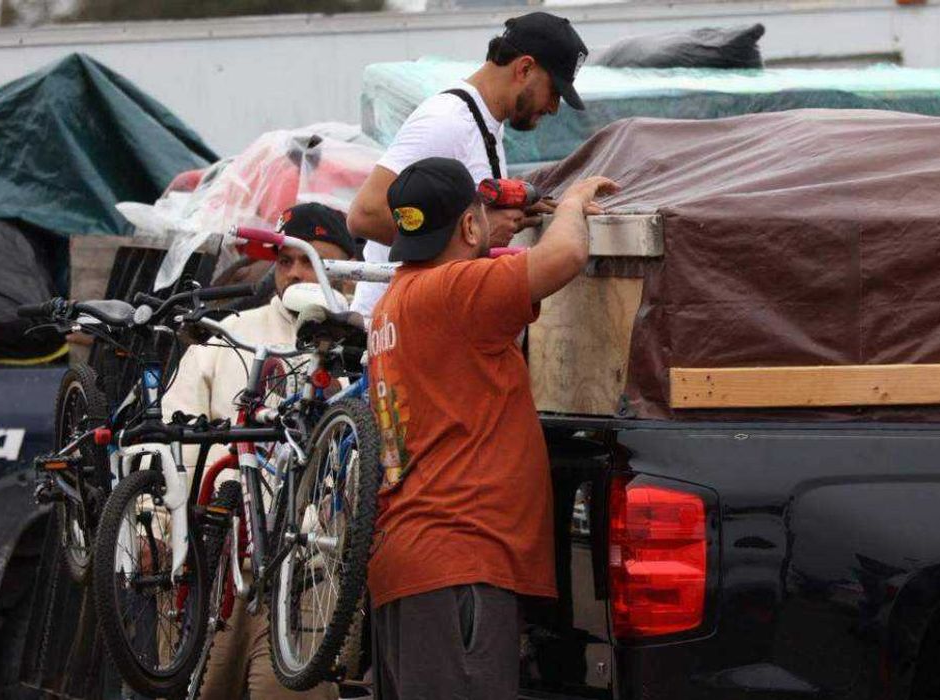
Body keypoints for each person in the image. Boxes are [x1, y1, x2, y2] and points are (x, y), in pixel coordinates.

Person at [365, 157, 618, 698]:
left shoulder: (395, 304)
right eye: (478, 216)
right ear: (469, 226)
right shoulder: (458, 290)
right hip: (460, 563)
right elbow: (566, 255)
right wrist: (573, 203)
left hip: (411, 562)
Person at [165, 202, 355, 700]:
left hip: (312, 578)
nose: (294, 272)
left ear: (346, 274)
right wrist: (157, 522)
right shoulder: (226, 339)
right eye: (286, 259)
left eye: (312, 261)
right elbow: (172, 440)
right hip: (216, 571)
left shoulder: (364, 352)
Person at [346, 11, 590, 319]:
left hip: (424, 323)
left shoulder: (485, 124)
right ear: (525, 68)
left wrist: (552, 208)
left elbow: (444, 214)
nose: (554, 108)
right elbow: (365, 215)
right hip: (397, 332)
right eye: (554, 92)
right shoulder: (447, 122)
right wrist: (477, 239)